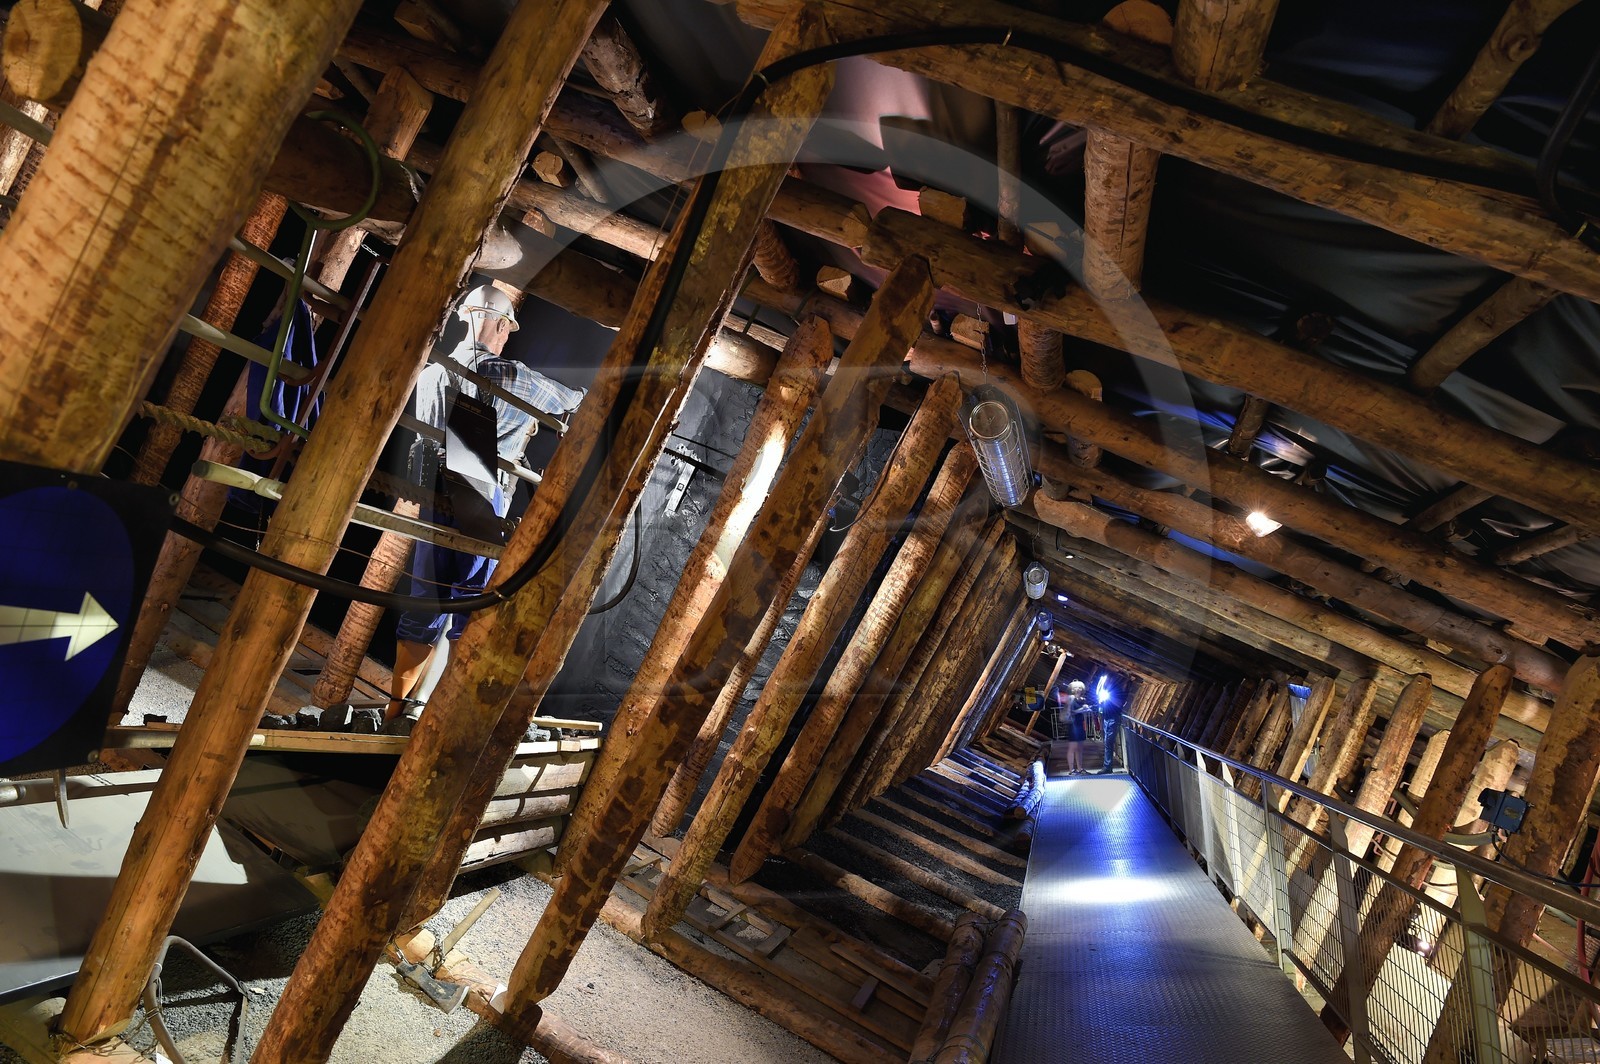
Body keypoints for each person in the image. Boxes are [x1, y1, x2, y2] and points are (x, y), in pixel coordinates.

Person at [386, 284, 585, 726]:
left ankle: (394, 709)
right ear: (498, 324)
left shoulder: (433, 372)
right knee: (472, 603)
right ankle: (444, 719)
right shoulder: (508, 375)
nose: (507, 336)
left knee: (426, 599)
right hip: (479, 491)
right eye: (507, 328)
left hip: (431, 491)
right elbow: (569, 400)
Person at [1055, 679, 1089, 775]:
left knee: (1080, 747)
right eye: (1076, 687)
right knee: (1073, 747)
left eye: (1080, 687)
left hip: (1080, 723)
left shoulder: (1082, 699)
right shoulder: (1071, 698)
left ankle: (1080, 768)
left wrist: (1085, 709)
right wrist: (1082, 709)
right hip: (1073, 724)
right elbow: (1072, 712)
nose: (1078, 689)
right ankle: (1071, 770)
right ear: (1072, 689)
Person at [1097, 679, 1124, 774]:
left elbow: (1119, 704)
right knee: (1107, 742)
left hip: (1113, 718)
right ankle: (1107, 766)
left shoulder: (1117, 691)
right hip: (1107, 718)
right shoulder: (1107, 691)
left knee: (1108, 742)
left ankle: (1107, 767)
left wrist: (1109, 698)